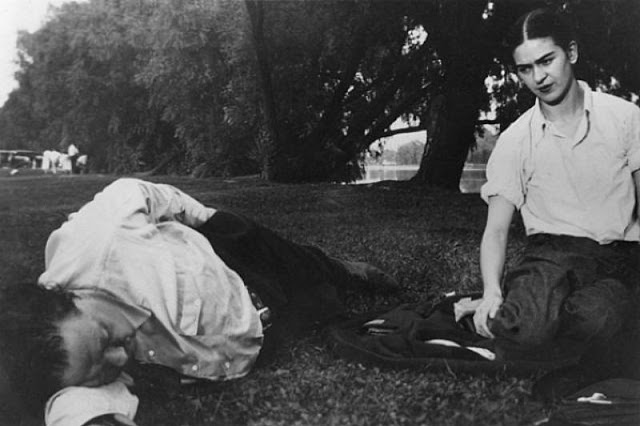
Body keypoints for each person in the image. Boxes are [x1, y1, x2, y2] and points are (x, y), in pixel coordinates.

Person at [0, 178, 397, 426]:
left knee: (309, 266)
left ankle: (339, 266)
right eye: (100, 371)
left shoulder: (98, 240)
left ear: (66, 296)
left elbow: (135, 191)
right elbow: (73, 405)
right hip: (263, 331)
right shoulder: (70, 365)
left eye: (106, 337)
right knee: (325, 307)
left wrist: (205, 217)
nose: (120, 359)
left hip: (235, 256)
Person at [472, 8, 640, 370]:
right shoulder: (516, 140)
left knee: (599, 317)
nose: (538, 77)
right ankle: (521, 312)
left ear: (572, 53)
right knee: (531, 328)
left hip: (618, 259)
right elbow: (496, 230)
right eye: (525, 69)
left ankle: (525, 317)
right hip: (550, 258)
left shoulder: (625, 118)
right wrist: (491, 290)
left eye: (547, 60)